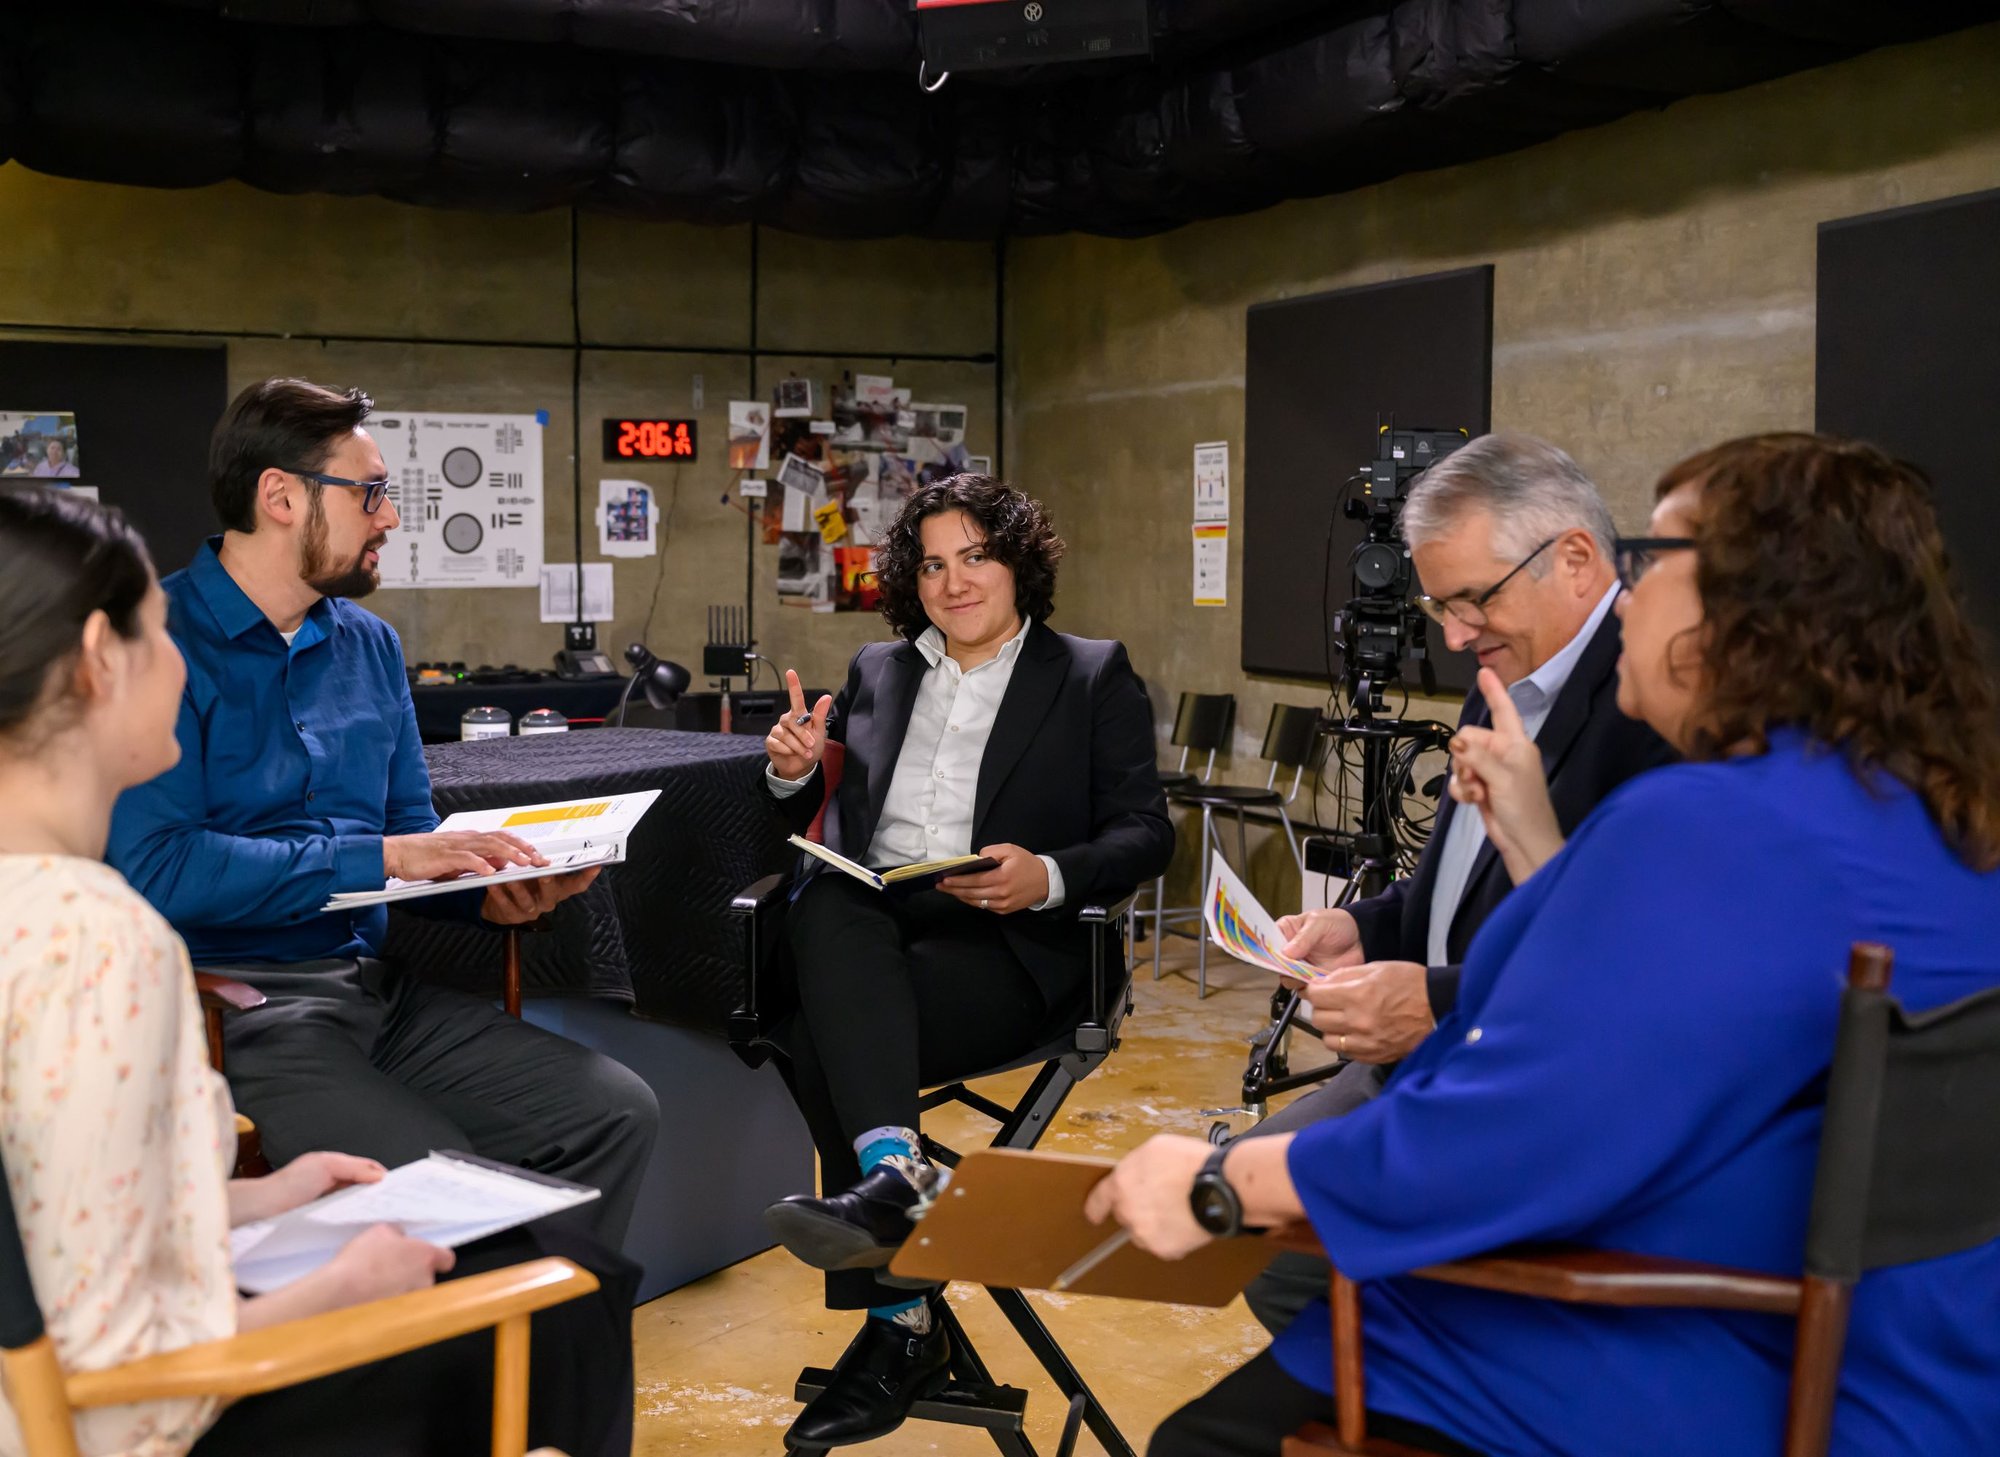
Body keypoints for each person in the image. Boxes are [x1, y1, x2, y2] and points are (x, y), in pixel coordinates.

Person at [1086, 432, 2000, 1457]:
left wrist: (1220, 1184)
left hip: (1695, 1358)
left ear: (1757, 611)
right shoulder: (1931, 820)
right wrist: (1528, 835)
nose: (1626, 594)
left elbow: (1512, 1135)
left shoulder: (1707, 823)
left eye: (1652, 562)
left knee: (1203, 1436)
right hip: (1913, 1367)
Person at [0, 489, 636, 1457]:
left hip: (360, 1001)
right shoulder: (103, 944)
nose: (183, 660)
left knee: (569, 1214)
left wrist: (256, 1194)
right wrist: (339, 1290)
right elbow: (119, 1396)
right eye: (159, 632)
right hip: (152, 1408)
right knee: (563, 1299)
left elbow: (54, 1211)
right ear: (98, 657)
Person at [105, 378, 658, 1249]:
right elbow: (160, 869)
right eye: (370, 493)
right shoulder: (157, 639)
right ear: (280, 496)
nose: (391, 517)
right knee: (444, 1188)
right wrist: (387, 858)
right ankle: (473, 1367)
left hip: (372, 994)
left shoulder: (370, 646)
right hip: (233, 1011)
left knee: (612, 1111)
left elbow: (409, 840)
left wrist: (488, 888)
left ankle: (542, 1376)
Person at [757, 474, 1174, 1448]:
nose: (953, 580)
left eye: (975, 554)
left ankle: (897, 1324)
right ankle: (896, 1178)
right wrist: (788, 772)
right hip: (877, 924)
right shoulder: (876, 668)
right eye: (933, 563)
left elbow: (1147, 833)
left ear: (1017, 562)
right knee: (828, 902)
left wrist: (1050, 874)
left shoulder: (1089, 673)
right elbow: (824, 820)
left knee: (819, 1024)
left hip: (1012, 946)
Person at [1242, 432, 1674, 1335]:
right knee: (1255, 1226)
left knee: (1286, 1251)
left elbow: (1636, 970)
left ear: (1578, 560)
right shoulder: (1504, 669)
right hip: (1432, 1055)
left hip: (1522, 1084)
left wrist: (1438, 1000)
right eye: (1439, 605)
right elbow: (1456, 884)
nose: (1453, 634)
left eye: (1473, 598)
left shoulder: (1654, 709)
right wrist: (1366, 926)